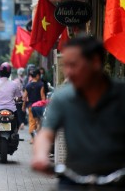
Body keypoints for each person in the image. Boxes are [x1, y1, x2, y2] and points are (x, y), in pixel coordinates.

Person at [32, 36, 125, 188]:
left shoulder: (121, 95)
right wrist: (40, 156)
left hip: (117, 180)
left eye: (74, 65)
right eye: (66, 66)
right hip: (74, 179)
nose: (69, 72)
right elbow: (46, 133)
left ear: (95, 62)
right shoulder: (62, 98)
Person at [0, 62, 22, 139]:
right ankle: (15, 135)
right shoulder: (14, 84)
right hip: (11, 109)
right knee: (18, 122)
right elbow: (19, 97)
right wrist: (17, 99)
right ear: (9, 73)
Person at [22, 68, 45, 144]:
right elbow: (42, 96)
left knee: (31, 122)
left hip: (30, 106)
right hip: (39, 106)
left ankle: (32, 139)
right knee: (38, 122)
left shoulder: (28, 85)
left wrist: (23, 106)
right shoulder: (41, 84)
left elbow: (24, 97)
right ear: (37, 76)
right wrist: (44, 104)